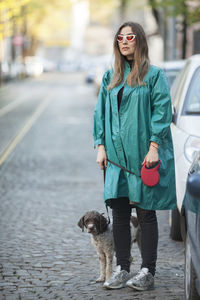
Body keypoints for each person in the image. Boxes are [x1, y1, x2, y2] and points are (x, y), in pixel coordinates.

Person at [93, 21, 177, 291]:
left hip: (142, 157)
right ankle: (122, 269)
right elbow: (100, 114)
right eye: (120, 37)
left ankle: (147, 271)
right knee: (119, 214)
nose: (125, 41)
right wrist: (100, 146)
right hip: (116, 160)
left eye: (130, 36)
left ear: (140, 41)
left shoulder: (154, 76)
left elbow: (162, 113)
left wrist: (154, 147)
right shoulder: (110, 78)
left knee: (145, 214)